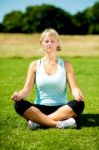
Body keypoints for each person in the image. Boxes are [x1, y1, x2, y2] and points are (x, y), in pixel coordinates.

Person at [11, 28, 85, 130]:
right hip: (39, 109)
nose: (49, 43)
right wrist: (19, 95)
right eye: (46, 41)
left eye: (52, 41)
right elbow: (26, 90)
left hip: (61, 108)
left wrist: (77, 93)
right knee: (18, 104)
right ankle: (59, 124)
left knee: (79, 104)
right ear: (42, 44)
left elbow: (74, 88)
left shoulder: (66, 64)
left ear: (57, 43)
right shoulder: (34, 65)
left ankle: (39, 122)